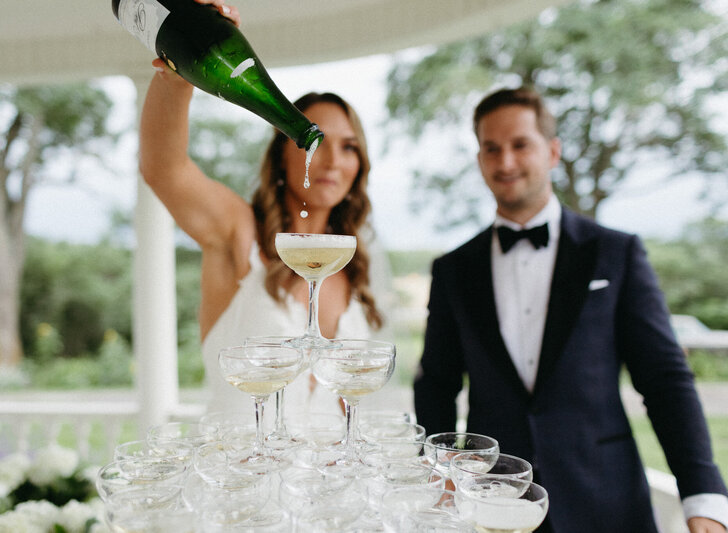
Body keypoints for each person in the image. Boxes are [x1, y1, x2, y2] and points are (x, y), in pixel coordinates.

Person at [413, 87, 728, 533]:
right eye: (491, 149)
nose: (505, 163)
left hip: (607, 500)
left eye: (520, 145)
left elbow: (665, 379)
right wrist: (440, 477)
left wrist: (704, 497)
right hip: (492, 505)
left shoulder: (616, 253)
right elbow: (437, 384)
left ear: (553, 151)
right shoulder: (453, 269)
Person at [139, 0, 385, 415]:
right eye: (317, 140)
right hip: (240, 477)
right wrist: (180, 68)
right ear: (285, 148)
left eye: (349, 147)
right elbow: (164, 170)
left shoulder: (356, 265)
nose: (332, 160)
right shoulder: (240, 232)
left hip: (331, 480)